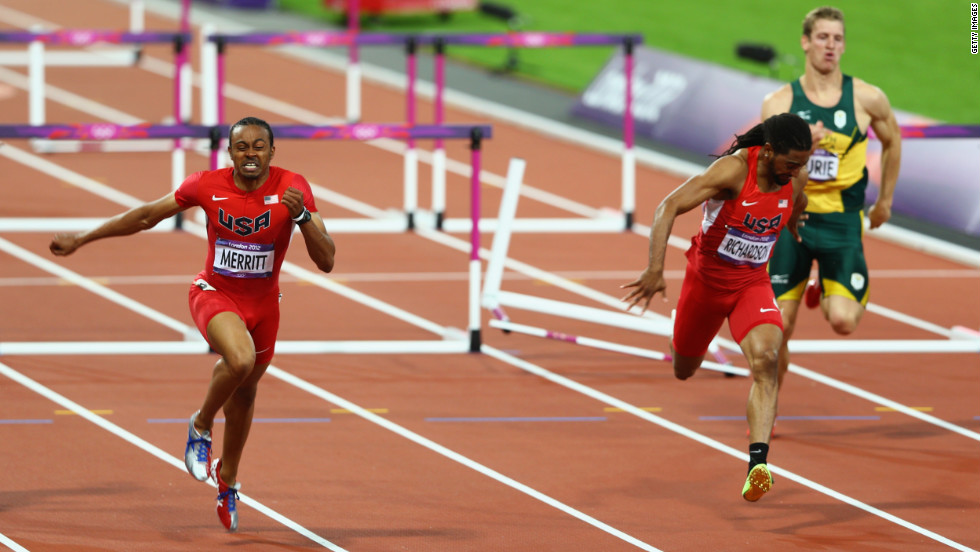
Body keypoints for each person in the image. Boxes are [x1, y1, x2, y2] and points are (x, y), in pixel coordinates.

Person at [49, 116, 336, 531]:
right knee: (237, 362)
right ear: (230, 152)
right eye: (242, 147)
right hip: (213, 294)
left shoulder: (294, 187)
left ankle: (228, 478)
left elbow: (326, 261)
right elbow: (147, 215)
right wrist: (82, 238)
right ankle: (200, 425)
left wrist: (303, 218)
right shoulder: (205, 184)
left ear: (272, 152)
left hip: (264, 307)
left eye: (259, 146)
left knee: (246, 392)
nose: (250, 154)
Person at [621, 113, 812, 502]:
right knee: (684, 369)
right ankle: (681, 332)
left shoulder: (794, 176)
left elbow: (796, 198)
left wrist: (792, 223)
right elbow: (668, 206)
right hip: (706, 284)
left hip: (752, 284)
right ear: (769, 151)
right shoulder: (732, 171)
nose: (795, 172)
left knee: (767, 358)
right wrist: (655, 269)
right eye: (790, 164)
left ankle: (757, 464)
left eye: (802, 165)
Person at [762, 6, 902, 390]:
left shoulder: (867, 99)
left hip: (842, 223)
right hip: (792, 222)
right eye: (822, 37)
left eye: (837, 39)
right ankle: (768, 408)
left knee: (843, 321)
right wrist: (801, 146)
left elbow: (893, 140)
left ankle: (823, 288)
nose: (830, 46)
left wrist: (885, 200)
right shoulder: (780, 104)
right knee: (777, 330)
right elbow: (763, 167)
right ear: (805, 42)